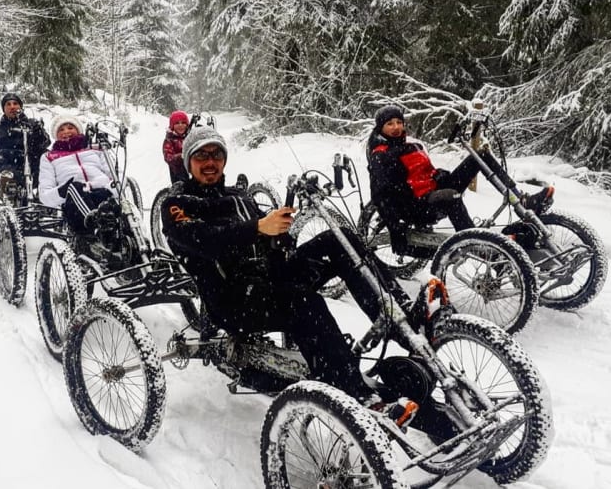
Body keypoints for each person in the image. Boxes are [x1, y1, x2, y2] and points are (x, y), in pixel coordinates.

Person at [160, 126, 421, 428]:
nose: (210, 161)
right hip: (232, 300)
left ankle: (400, 318)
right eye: (201, 155)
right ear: (188, 160)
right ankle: (353, 391)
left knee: (339, 241)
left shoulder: (238, 196)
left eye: (216, 154)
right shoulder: (177, 203)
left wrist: (280, 235)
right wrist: (258, 228)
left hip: (268, 279)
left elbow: (268, 243)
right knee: (302, 302)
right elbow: (203, 239)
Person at [366, 105, 555, 252]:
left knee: (479, 156)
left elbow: (420, 172)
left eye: (399, 122)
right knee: (451, 195)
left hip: (431, 191)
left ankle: (520, 199)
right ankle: (474, 241)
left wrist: (437, 174)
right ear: (381, 128)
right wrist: (394, 227)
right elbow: (380, 193)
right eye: (390, 124)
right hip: (414, 205)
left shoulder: (411, 146)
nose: (396, 127)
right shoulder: (381, 155)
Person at [38, 115, 118, 245]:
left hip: (102, 192)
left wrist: (107, 186)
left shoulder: (96, 149)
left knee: (113, 197)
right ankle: (98, 226)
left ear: (78, 130)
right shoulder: (49, 157)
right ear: (56, 135)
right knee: (75, 186)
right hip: (74, 202)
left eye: (70, 127)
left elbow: (117, 177)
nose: (66, 132)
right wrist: (62, 191)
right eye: (61, 130)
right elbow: (45, 196)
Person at [0, 93, 51, 197]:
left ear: (20, 107)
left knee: (46, 162)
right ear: (4, 109)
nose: (12, 107)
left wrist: (38, 132)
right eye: (8, 104)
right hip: (8, 168)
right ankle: (10, 198)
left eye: (15, 103)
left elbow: (45, 143)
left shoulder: (31, 126)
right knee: (10, 180)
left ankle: (43, 197)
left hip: (32, 166)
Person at [162, 110, 190, 184]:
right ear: (172, 126)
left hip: (193, 170)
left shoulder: (190, 137)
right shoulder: (169, 140)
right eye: (177, 123)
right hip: (178, 173)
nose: (180, 125)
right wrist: (181, 156)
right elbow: (168, 157)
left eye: (183, 123)